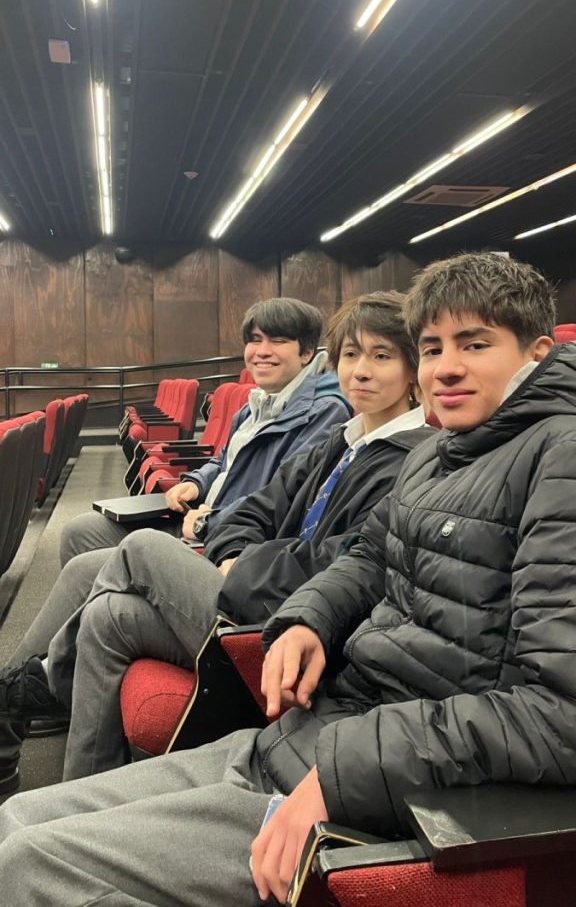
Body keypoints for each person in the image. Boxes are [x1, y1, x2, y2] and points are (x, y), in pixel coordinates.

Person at [1, 252, 575, 907]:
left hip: (385, 791)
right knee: (14, 820)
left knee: (28, 867)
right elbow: (366, 557)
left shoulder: (559, 457)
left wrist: (348, 768)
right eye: (432, 347)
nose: (445, 367)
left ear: (535, 354)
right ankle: (27, 693)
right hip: (311, 736)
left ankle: (25, 692)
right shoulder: (444, 454)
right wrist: (309, 618)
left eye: (474, 345)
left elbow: (560, 714)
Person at [1, 292, 428, 784]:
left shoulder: (410, 460)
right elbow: (256, 506)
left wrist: (243, 562)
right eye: (351, 354)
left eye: (381, 356)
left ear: (412, 370)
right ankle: (78, 784)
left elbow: (337, 564)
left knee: (142, 547)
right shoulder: (346, 439)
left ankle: (32, 686)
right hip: (249, 588)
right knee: (108, 612)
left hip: (288, 629)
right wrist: (231, 549)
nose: (361, 371)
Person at [61, 296, 351, 563]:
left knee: (88, 569)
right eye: (255, 340)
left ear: (306, 352)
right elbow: (223, 461)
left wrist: (207, 523)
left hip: (231, 540)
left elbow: (283, 500)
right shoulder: (255, 405)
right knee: (81, 531)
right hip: (200, 517)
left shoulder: (324, 412)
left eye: (277, 341)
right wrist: (197, 483)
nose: (262, 351)